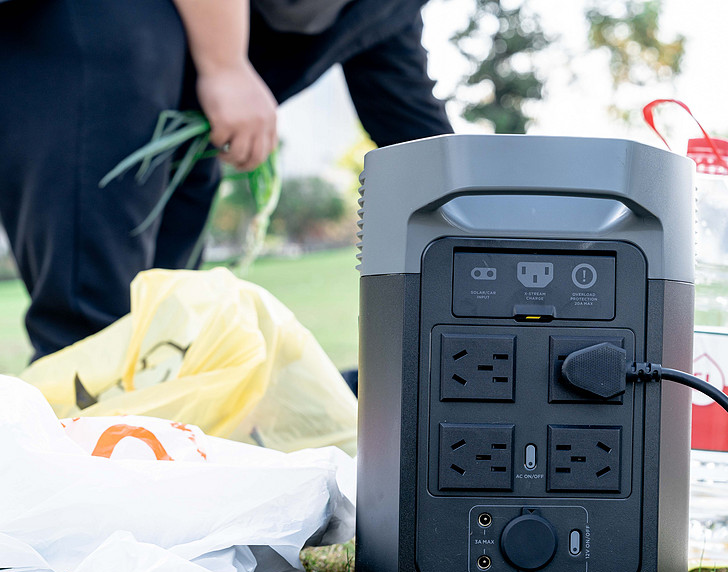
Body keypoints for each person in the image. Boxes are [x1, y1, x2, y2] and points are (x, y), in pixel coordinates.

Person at [0, 0, 452, 361]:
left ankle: (146, 448)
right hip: (96, 41)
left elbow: (416, 129)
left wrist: (486, 207)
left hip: (185, 125)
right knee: (91, 331)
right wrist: (225, 63)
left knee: (162, 328)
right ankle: (74, 457)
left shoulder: (389, 9)